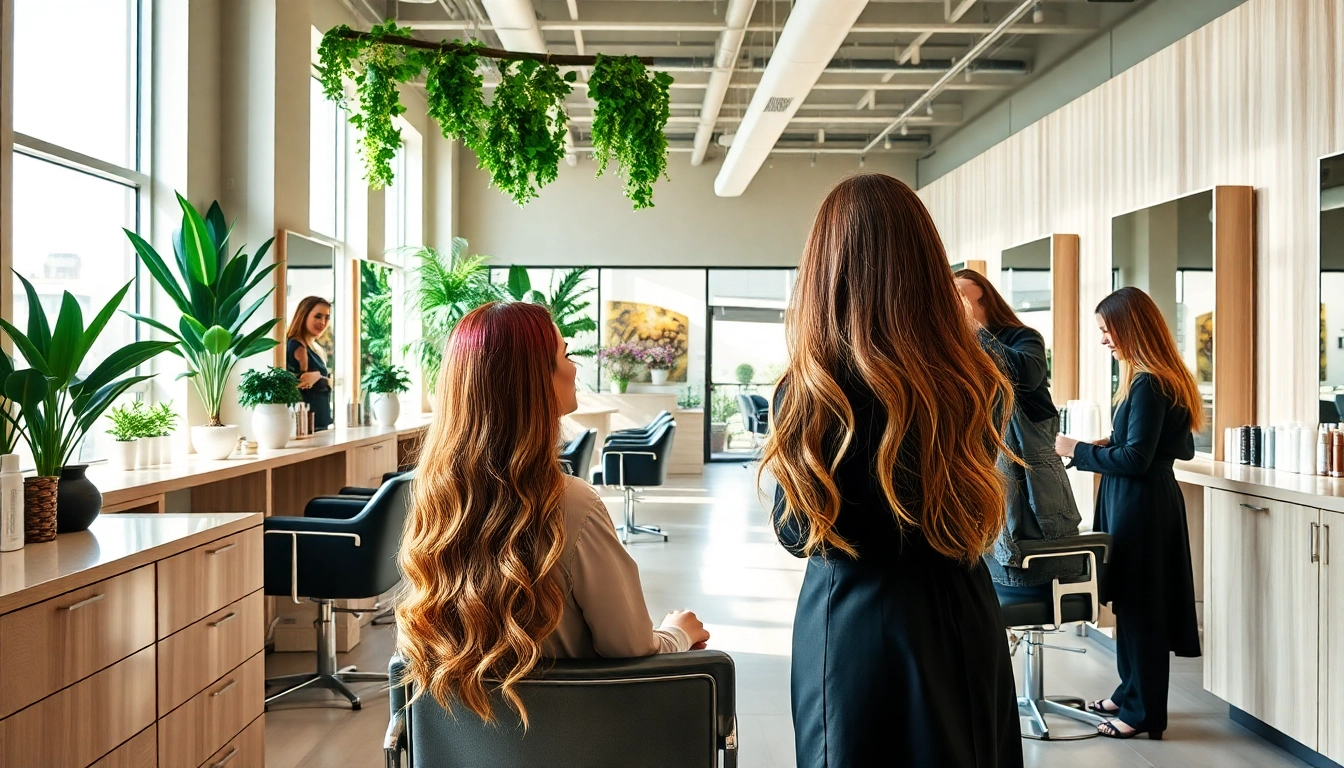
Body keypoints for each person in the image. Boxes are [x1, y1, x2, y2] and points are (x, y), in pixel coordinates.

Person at [762, 174, 1023, 768]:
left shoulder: (813, 392)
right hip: (961, 610)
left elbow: (799, 535)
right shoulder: (976, 382)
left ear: (827, 272)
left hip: (852, 624)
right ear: (928, 268)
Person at [395, 301, 709, 721]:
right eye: (566, 355)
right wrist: (676, 633)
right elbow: (629, 647)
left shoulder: (436, 502)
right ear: (532, 381)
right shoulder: (573, 503)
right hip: (570, 741)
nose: (575, 368)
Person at [1055, 286, 1201, 740]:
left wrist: (1075, 448)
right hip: (1142, 501)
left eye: (1106, 330)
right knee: (1134, 603)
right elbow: (1169, 448)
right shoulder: (1158, 379)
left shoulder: (1149, 383)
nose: (1104, 340)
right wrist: (1109, 445)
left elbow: (1137, 461)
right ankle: (1129, 691)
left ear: (1130, 327)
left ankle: (1142, 714)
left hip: (1141, 507)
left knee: (1143, 610)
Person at [955, 269, 1082, 588]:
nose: (952, 298)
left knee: (1037, 554)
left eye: (958, 291)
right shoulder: (960, 351)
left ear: (980, 292)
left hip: (1034, 472)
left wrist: (975, 330)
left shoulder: (1023, 337)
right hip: (987, 468)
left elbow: (1024, 375)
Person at [286, 296, 334, 431]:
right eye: (318, 316)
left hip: (319, 423)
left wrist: (319, 377)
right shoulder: (297, 345)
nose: (323, 322)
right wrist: (320, 378)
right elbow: (300, 383)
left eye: (327, 317)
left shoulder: (314, 347)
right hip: (306, 426)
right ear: (303, 316)